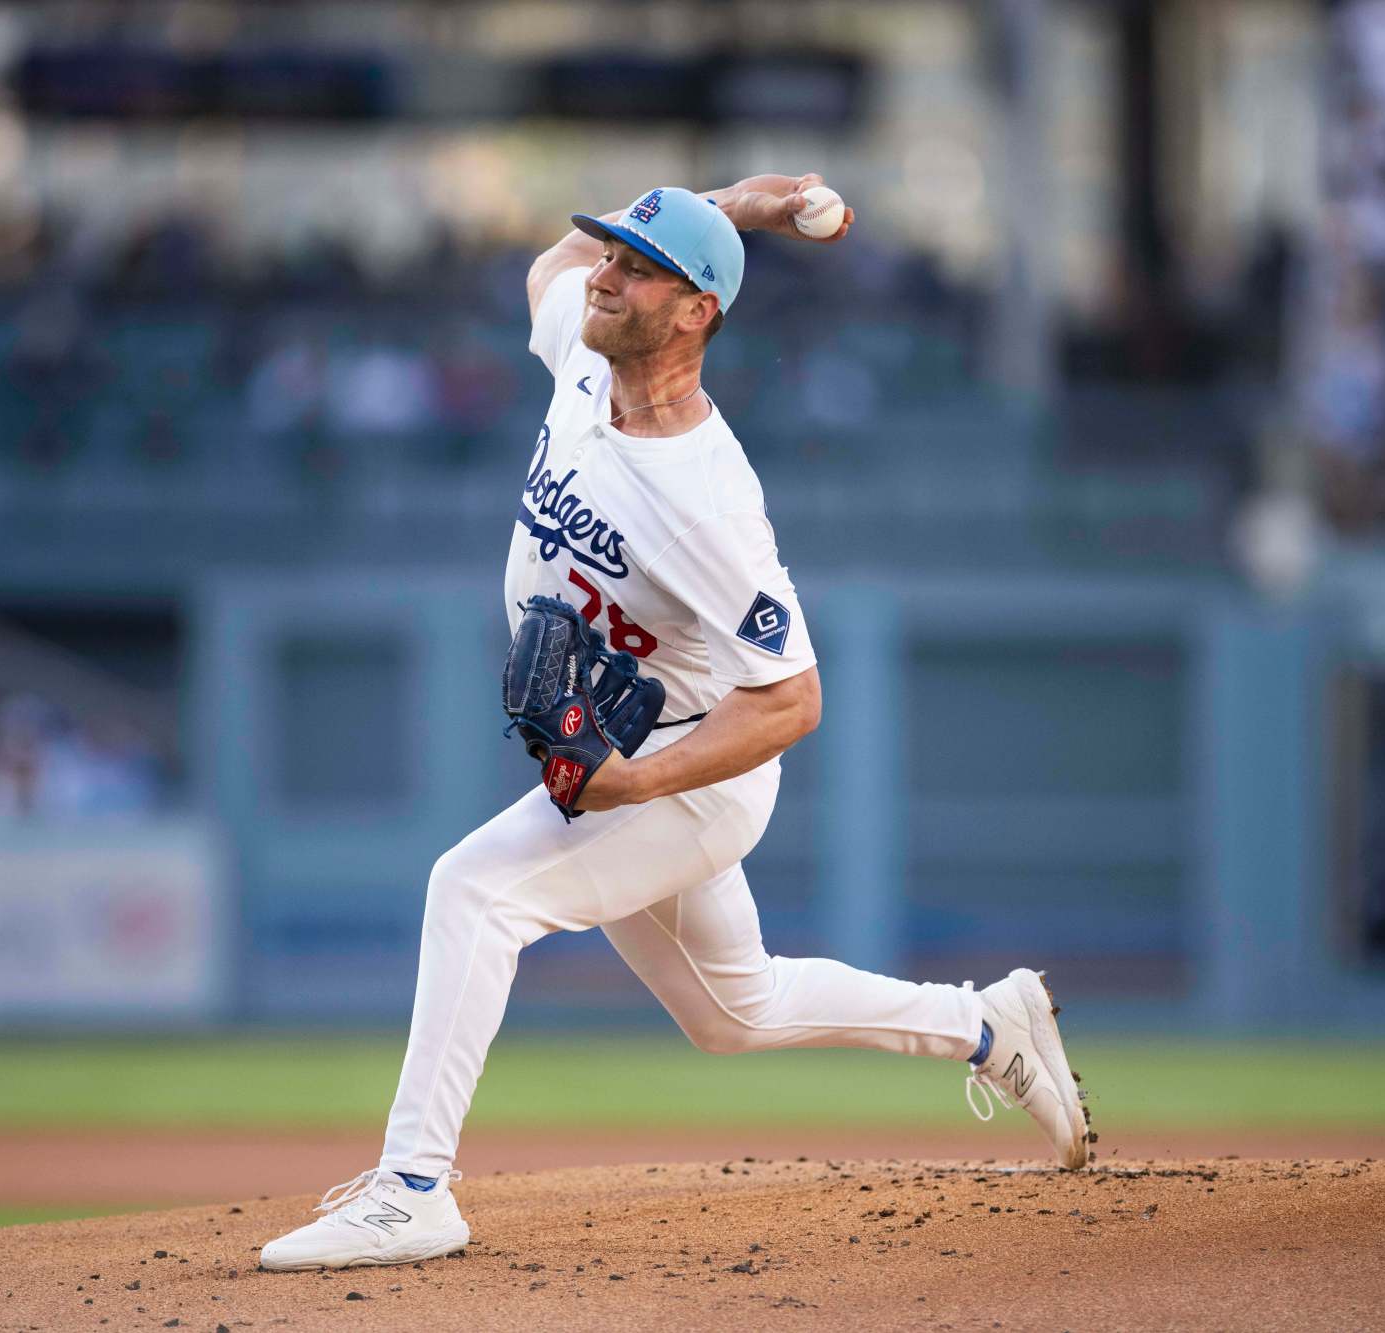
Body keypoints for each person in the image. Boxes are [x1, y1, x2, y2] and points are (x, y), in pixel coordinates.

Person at [260, 176, 1090, 1272]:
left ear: (697, 310)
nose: (600, 273)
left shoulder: (707, 500)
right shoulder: (581, 355)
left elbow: (792, 698)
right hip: (636, 758)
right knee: (730, 1010)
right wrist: (729, 205)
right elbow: (544, 272)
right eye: (611, 254)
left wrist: (637, 785)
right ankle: (985, 1024)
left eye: (634, 268)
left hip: (690, 773)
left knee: (472, 887)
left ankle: (413, 1189)